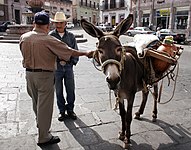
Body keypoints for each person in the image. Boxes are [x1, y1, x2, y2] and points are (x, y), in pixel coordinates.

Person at [19, 11, 93, 147]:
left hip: (29, 75)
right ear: (48, 25)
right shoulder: (48, 38)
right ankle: (44, 136)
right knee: (45, 107)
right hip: (45, 75)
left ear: (34, 23)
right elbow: (70, 51)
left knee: (36, 104)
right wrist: (86, 53)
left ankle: (41, 124)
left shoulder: (24, 37)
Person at [49, 12, 78, 121]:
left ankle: (70, 110)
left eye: (61, 23)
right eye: (57, 23)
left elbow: (75, 50)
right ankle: (62, 111)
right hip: (56, 68)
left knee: (70, 90)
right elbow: (47, 52)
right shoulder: (51, 36)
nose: (58, 25)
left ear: (65, 23)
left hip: (68, 67)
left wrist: (72, 62)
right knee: (58, 90)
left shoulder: (70, 36)